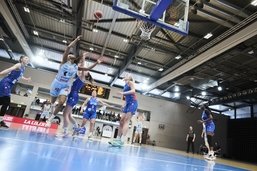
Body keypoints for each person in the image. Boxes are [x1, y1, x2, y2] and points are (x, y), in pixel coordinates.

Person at [46, 36, 100, 127]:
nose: (70, 55)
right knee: (52, 102)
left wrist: (96, 63)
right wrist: (76, 40)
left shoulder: (76, 67)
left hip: (65, 86)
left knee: (62, 103)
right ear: (68, 57)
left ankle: (50, 120)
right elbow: (68, 48)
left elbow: (87, 68)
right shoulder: (64, 62)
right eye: (69, 55)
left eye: (72, 56)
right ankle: (51, 108)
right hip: (56, 83)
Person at [59, 52, 102, 137]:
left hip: (73, 96)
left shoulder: (82, 78)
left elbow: (84, 68)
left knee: (65, 114)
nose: (81, 71)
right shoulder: (80, 78)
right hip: (73, 95)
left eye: (85, 71)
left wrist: (84, 58)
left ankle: (65, 131)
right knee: (69, 115)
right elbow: (83, 68)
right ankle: (76, 127)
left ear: (86, 74)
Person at [0, 55, 31, 128]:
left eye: (28, 59)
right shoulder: (18, 65)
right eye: (26, 58)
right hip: (6, 83)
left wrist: (26, 79)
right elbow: (9, 69)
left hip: (10, 85)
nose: (27, 59)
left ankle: (1, 120)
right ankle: (1, 121)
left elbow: (20, 76)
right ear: (21, 59)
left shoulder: (23, 68)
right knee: (7, 101)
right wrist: (0, 73)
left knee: (2, 101)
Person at [109, 74, 138, 146]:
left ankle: (122, 140)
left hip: (133, 103)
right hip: (128, 103)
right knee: (121, 121)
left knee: (126, 120)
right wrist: (124, 104)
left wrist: (122, 93)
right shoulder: (125, 85)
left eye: (127, 75)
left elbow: (133, 91)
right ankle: (118, 139)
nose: (126, 75)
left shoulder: (130, 83)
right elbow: (127, 97)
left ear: (129, 77)